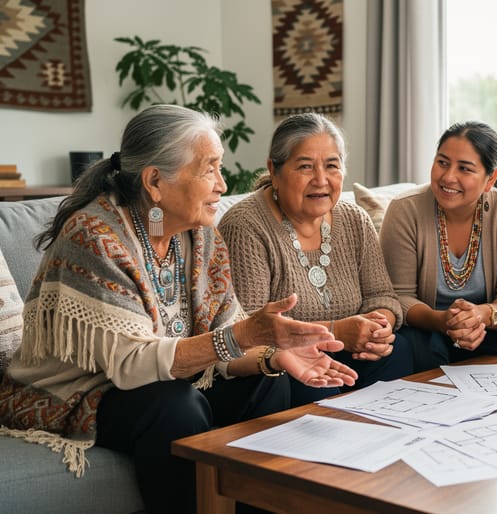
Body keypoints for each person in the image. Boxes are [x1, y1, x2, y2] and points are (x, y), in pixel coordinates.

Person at [0, 105, 357, 514]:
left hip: (162, 378)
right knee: (174, 407)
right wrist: (245, 336)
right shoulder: (95, 236)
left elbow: (226, 340)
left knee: (268, 381)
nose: (223, 185)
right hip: (79, 389)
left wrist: (273, 354)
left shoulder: (200, 237)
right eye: (210, 170)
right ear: (155, 181)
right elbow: (131, 365)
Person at [219, 113, 413, 389]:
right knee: (299, 382)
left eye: (332, 166)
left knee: (402, 349)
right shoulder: (246, 225)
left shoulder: (355, 219)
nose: (321, 179)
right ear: (274, 171)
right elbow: (250, 328)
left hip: (350, 352)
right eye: (306, 167)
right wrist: (335, 331)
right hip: (286, 360)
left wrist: (378, 327)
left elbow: (381, 295)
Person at [380, 121, 497, 371]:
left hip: (485, 328)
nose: (448, 177)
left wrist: (482, 315)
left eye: (465, 169)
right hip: (427, 327)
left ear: (490, 179)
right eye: (442, 162)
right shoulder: (405, 209)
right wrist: (443, 321)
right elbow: (398, 297)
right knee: (416, 346)